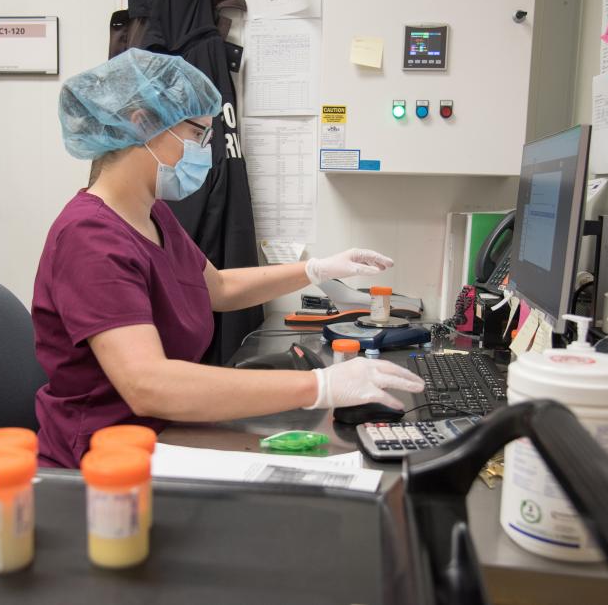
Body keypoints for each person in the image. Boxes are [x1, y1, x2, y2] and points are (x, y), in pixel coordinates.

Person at [33, 48, 423, 468]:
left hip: (165, 434)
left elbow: (216, 287)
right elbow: (148, 385)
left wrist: (316, 269)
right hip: (102, 463)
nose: (206, 149)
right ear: (142, 123)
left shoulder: (151, 213)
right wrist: (320, 386)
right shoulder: (90, 238)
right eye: (198, 133)